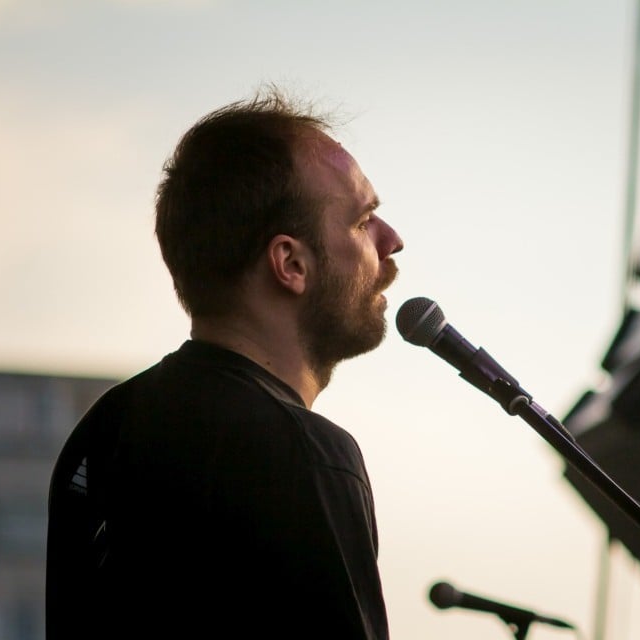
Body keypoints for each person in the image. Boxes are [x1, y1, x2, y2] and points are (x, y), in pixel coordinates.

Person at [46, 89, 404, 639]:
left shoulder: (104, 430)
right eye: (363, 222)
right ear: (290, 263)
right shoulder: (306, 453)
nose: (392, 242)